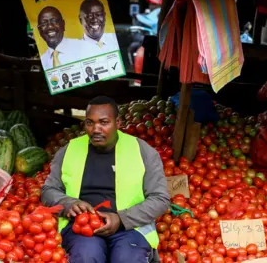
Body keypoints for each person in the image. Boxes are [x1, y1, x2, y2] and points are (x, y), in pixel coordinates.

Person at [41, 96, 170, 263]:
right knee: (86, 256)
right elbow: (48, 191)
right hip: (82, 227)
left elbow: (160, 199)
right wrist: (68, 203)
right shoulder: (69, 150)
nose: (96, 129)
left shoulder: (143, 152)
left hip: (132, 228)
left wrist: (121, 218)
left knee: (127, 259)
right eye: (90, 122)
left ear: (118, 122)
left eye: (103, 122)